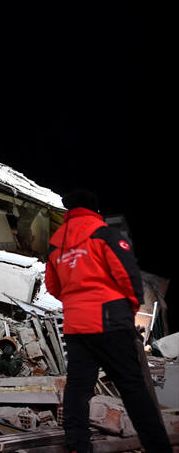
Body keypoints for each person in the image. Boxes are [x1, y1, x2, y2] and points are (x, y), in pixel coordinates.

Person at [45, 190, 170, 452]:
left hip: (76, 326)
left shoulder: (57, 243)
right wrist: (130, 306)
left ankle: (77, 445)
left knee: (78, 387)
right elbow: (128, 275)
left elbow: (53, 286)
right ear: (94, 210)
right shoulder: (104, 234)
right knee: (132, 386)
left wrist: (76, 301)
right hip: (110, 320)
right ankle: (158, 447)